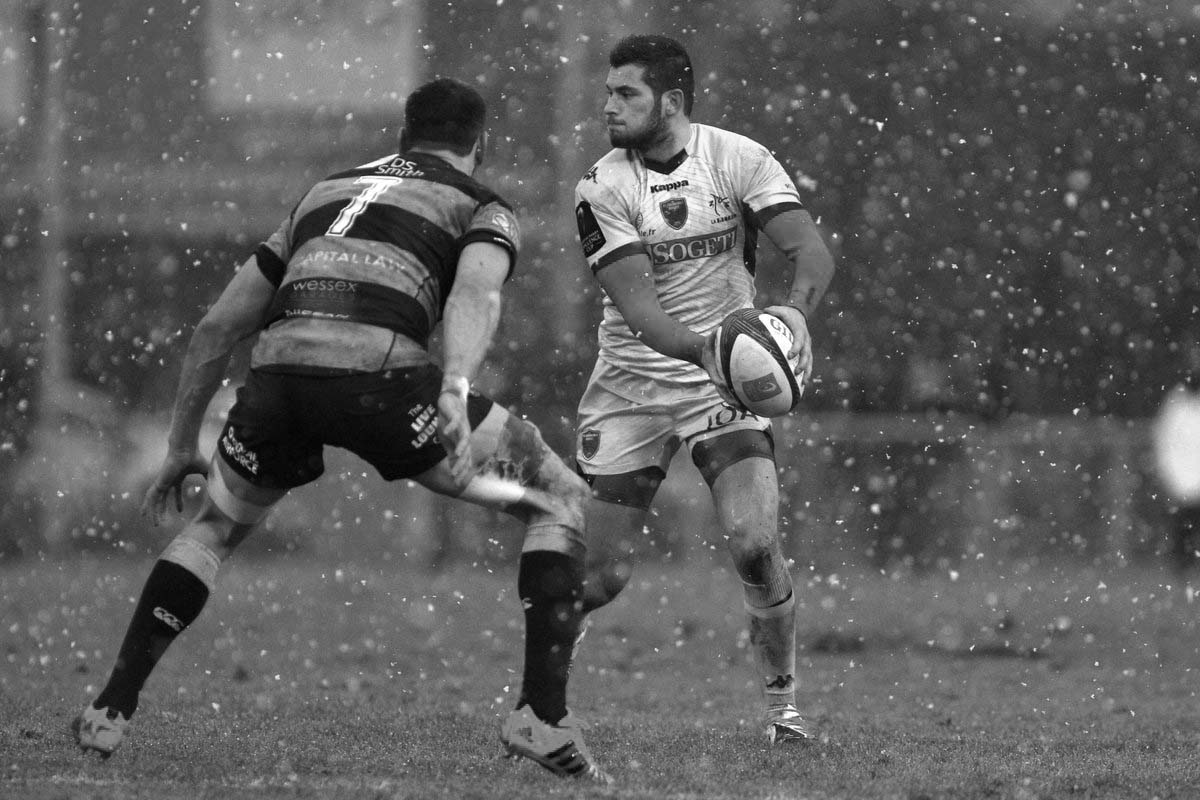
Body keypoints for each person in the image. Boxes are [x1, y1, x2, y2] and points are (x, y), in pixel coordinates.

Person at [72, 78, 609, 784]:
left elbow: (217, 328)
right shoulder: (480, 204)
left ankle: (110, 708)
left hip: (280, 378)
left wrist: (181, 446)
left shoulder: (324, 193)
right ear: (482, 143)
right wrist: (454, 386)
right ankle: (540, 714)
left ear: (403, 135)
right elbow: (476, 292)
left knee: (214, 528)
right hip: (382, 380)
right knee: (559, 497)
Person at [571, 35, 836, 743]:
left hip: (720, 390)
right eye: (608, 92)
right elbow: (641, 312)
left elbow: (810, 252)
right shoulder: (601, 186)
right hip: (630, 386)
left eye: (625, 93)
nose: (609, 106)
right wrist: (715, 351)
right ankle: (541, 704)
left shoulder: (739, 158)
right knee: (598, 578)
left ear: (671, 101)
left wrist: (794, 316)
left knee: (754, 541)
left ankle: (784, 714)